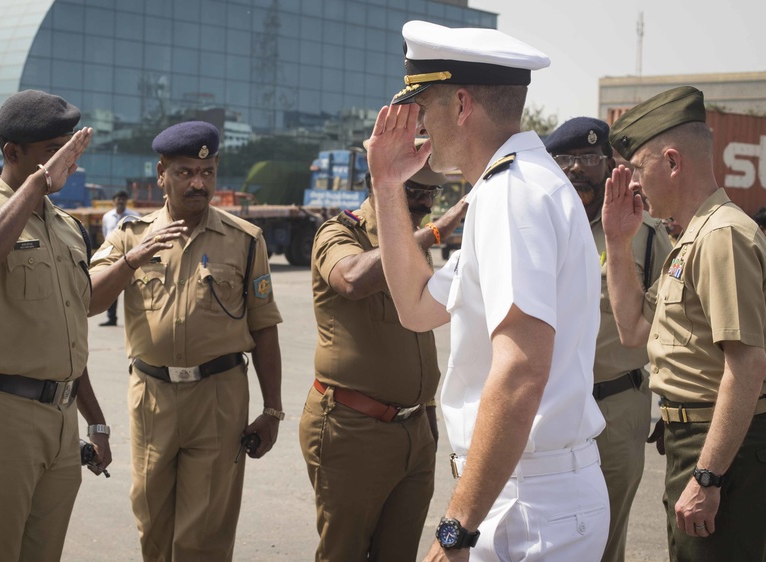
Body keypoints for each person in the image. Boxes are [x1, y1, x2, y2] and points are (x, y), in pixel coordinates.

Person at [366, 21, 610, 561]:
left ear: (459, 103)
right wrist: (386, 185)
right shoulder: (518, 185)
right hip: (529, 491)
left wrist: (457, 527)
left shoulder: (511, 196)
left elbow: (521, 369)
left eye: (423, 106)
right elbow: (415, 306)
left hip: (528, 503)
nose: (419, 126)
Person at [87, 121, 283, 561]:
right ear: (161, 173)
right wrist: (133, 261)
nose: (199, 183)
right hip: (152, 397)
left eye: (207, 171)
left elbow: (264, 329)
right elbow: (87, 300)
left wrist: (271, 410)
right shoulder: (129, 236)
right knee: (152, 521)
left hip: (218, 397)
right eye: (184, 172)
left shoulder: (245, 240)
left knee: (205, 533)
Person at [603, 86, 766, 562]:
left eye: (637, 169)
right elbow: (634, 329)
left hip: (718, 447)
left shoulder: (721, 235)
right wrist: (617, 241)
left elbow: (747, 365)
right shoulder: (692, 237)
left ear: (672, 163)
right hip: (690, 443)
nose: (632, 183)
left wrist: (709, 475)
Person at [0, 90, 105, 562]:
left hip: (61, 416)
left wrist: (97, 421)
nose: (68, 163)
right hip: (3, 415)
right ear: (12, 153)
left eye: (69, 149)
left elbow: (71, 331)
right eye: (54, 152)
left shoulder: (67, 226)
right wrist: (36, 186)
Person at [301, 138, 468, 562]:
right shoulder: (341, 232)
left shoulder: (409, 244)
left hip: (413, 430)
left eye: (431, 195)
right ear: (383, 183)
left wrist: (426, 418)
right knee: (345, 553)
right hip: (354, 428)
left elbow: (416, 338)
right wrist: (434, 231)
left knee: (399, 554)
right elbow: (352, 280)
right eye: (414, 192)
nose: (425, 204)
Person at [545, 117, 672, 562]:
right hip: (548, 406)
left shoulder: (647, 236)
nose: (576, 169)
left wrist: (671, 405)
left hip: (616, 409)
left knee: (605, 539)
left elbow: (670, 326)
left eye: (588, 160)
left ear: (609, 167)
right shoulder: (540, 228)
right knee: (547, 534)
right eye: (565, 159)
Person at [99, 189, 140, 326]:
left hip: (130, 254)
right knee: (111, 287)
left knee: (134, 286)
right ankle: (112, 318)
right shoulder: (107, 217)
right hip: (113, 256)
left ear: (126, 201)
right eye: (118, 199)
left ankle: (136, 317)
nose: (120, 202)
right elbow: (106, 234)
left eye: (123, 199)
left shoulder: (134, 216)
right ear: (114, 201)